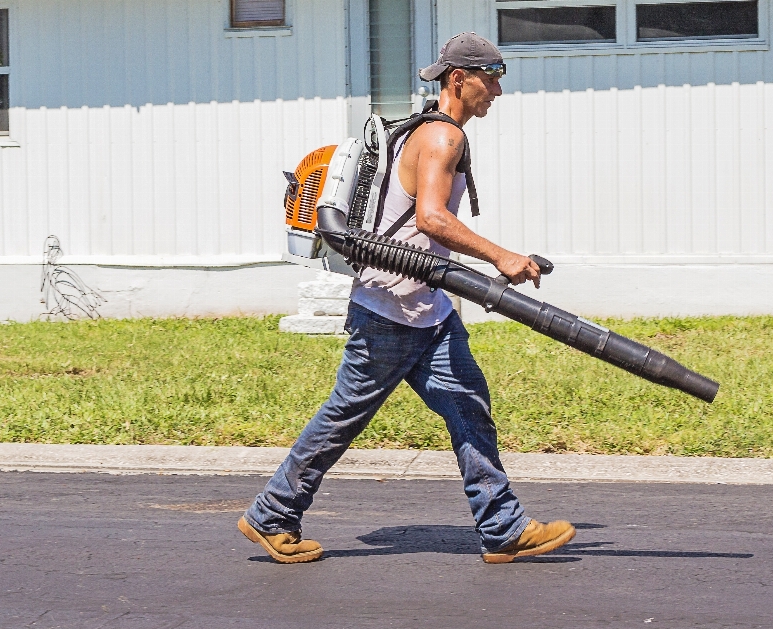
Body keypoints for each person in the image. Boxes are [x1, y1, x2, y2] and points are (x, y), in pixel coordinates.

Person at [238, 32, 575, 565]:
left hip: (426, 308)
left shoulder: (420, 131)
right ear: (459, 80)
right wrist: (502, 257)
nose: (498, 92)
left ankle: (503, 527)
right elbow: (432, 219)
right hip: (391, 310)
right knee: (343, 417)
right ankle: (273, 513)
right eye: (491, 79)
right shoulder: (443, 138)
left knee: (469, 405)